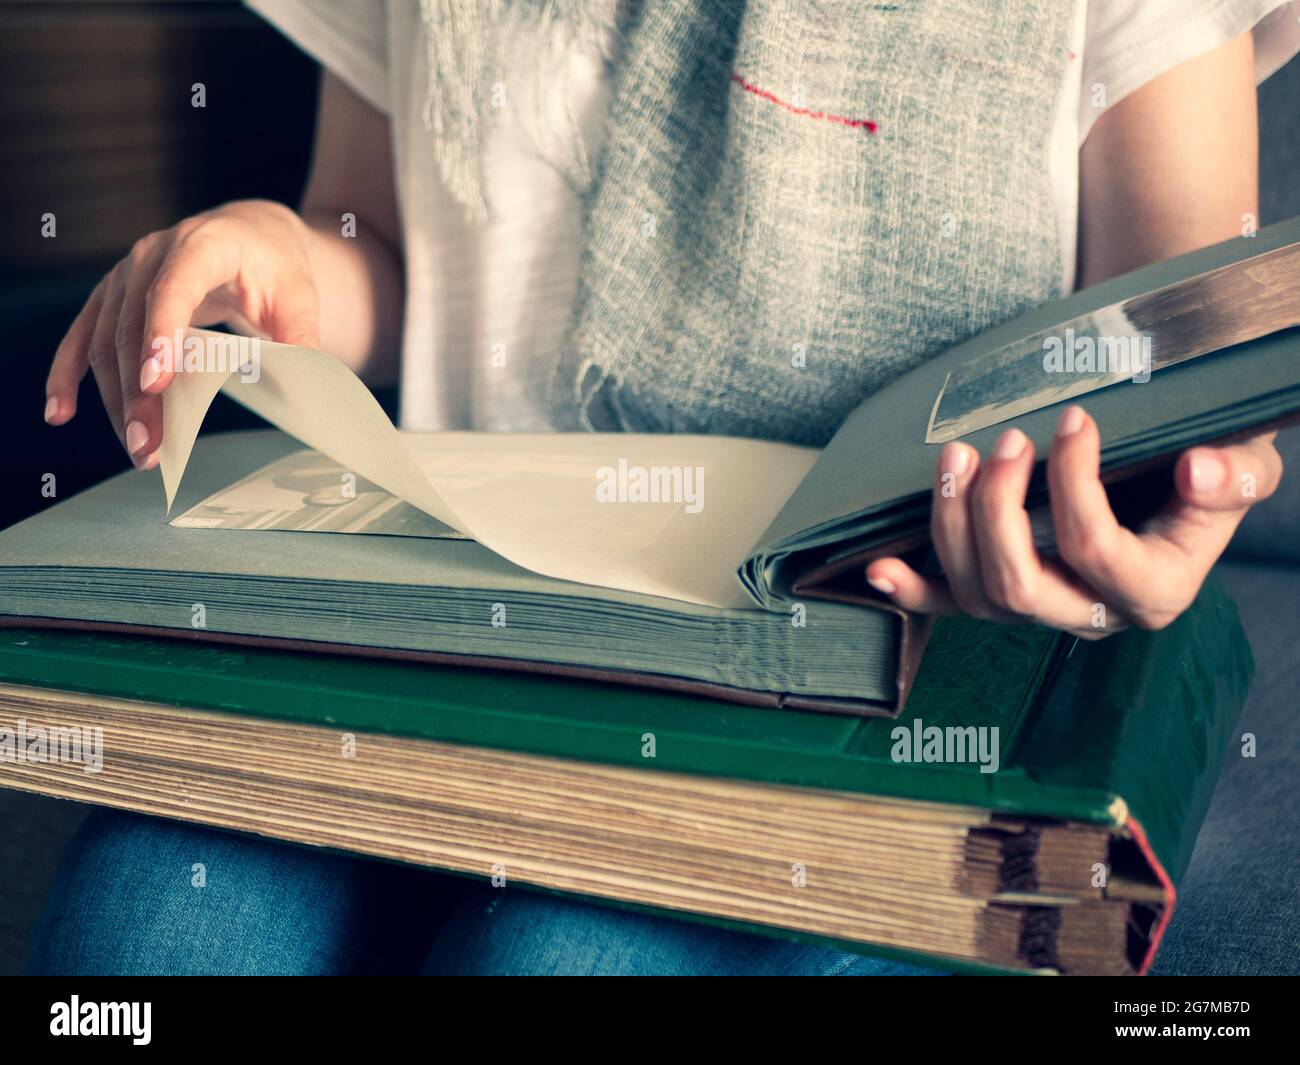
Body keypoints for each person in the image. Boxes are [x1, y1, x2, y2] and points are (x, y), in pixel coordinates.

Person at [29, 0, 1300, 975]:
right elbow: (381, 245)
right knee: (137, 932)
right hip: (464, 622)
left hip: (896, 656)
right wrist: (275, 254)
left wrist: (1155, 511)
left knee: (549, 960)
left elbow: (1165, 363)